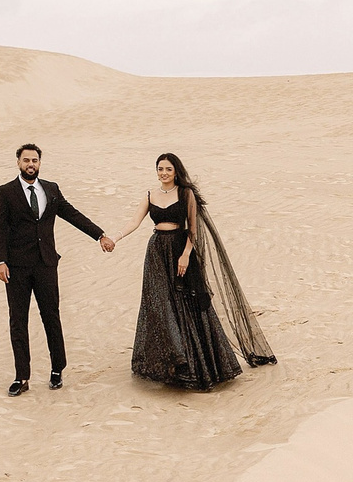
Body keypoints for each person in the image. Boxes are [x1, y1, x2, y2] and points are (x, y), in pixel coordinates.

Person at [116, 152, 277, 391]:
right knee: (160, 305)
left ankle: (196, 365)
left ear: (176, 171)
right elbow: (134, 222)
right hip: (157, 253)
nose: (164, 173)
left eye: (168, 169)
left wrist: (185, 254)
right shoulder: (151, 195)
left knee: (187, 303)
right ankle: (172, 359)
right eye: (160, 169)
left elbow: (193, 229)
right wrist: (114, 238)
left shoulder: (186, 194)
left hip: (180, 250)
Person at [0, 143, 113, 396]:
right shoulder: (6, 192)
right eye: (26, 160)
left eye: (34, 160)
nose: (30, 164)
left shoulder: (51, 189)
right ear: (18, 162)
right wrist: (0, 261)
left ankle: (57, 369)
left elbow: (72, 214)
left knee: (51, 317)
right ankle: (21, 377)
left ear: (40, 163)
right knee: (18, 321)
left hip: (46, 264)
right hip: (16, 268)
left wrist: (99, 234)